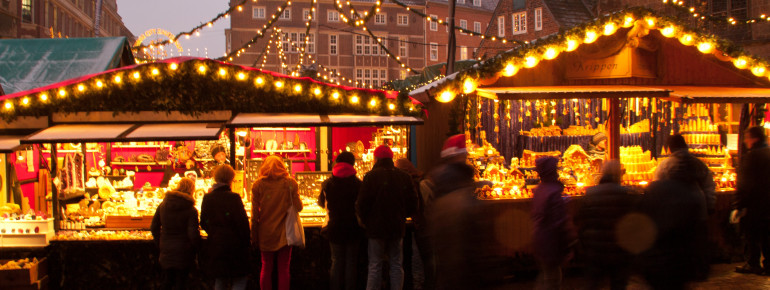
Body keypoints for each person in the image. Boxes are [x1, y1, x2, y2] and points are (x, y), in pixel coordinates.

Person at [638, 154, 709, 289]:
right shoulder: (693, 193)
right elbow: (697, 231)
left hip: (656, 259)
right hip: (680, 261)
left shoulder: (653, 189)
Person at [356, 145, 417, 290]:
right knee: (396, 264)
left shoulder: (370, 177)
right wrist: (403, 216)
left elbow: (362, 203)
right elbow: (413, 202)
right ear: (391, 158)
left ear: (376, 159)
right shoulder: (404, 177)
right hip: (397, 226)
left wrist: (366, 221)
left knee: (375, 265)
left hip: (376, 228)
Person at [575, 160, 637, 290]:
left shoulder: (591, 193)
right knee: (618, 284)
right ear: (618, 174)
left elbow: (581, 219)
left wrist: (583, 242)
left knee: (593, 284)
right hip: (619, 250)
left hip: (595, 249)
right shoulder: (626, 194)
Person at [252, 155, 302, 290]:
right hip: (285, 233)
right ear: (282, 167)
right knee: (284, 268)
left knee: (266, 267)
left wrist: (254, 235)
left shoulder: (258, 185)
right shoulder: (290, 183)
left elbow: (254, 214)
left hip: (265, 232)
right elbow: (299, 207)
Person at [318, 152, 364, 290]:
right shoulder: (358, 184)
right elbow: (362, 206)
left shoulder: (328, 184)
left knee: (336, 262)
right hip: (353, 228)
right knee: (351, 263)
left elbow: (321, 203)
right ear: (352, 164)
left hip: (334, 227)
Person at [200, 165, 251, 290]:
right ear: (231, 179)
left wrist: (213, 232)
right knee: (239, 279)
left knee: (220, 278)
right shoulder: (234, 198)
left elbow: (203, 221)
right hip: (235, 245)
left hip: (216, 244)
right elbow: (242, 223)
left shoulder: (208, 198)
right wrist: (247, 242)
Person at [531, 156, 576, 290]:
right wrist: (570, 242)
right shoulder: (553, 192)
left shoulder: (540, 190)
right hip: (551, 240)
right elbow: (559, 220)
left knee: (548, 274)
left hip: (540, 239)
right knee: (552, 278)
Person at [150, 177, 201, 290]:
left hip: (166, 250)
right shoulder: (191, 210)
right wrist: (198, 248)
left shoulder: (163, 205)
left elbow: (154, 227)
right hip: (184, 252)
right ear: (192, 190)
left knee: (167, 281)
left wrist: (160, 243)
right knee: (181, 283)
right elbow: (193, 234)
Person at [734, 126, 770, 275]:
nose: (746, 141)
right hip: (767, 203)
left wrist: (738, 204)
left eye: (747, 138)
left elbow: (744, 184)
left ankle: (752, 263)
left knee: (752, 235)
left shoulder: (751, 157)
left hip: (755, 204)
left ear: (754, 139)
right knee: (767, 235)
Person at [654, 134, 716, 214]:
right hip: (697, 207)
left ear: (670, 148)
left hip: (673, 209)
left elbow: (656, 187)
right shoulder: (699, 164)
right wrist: (710, 206)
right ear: (685, 146)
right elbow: (709, 186)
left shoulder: (664, 165)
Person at [394, 158, 429, 290]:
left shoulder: (414, 183)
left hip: (417, 224)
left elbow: (415, 204)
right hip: (420, 223)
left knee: (411, 257)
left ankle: (414, 283)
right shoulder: (420, 180)